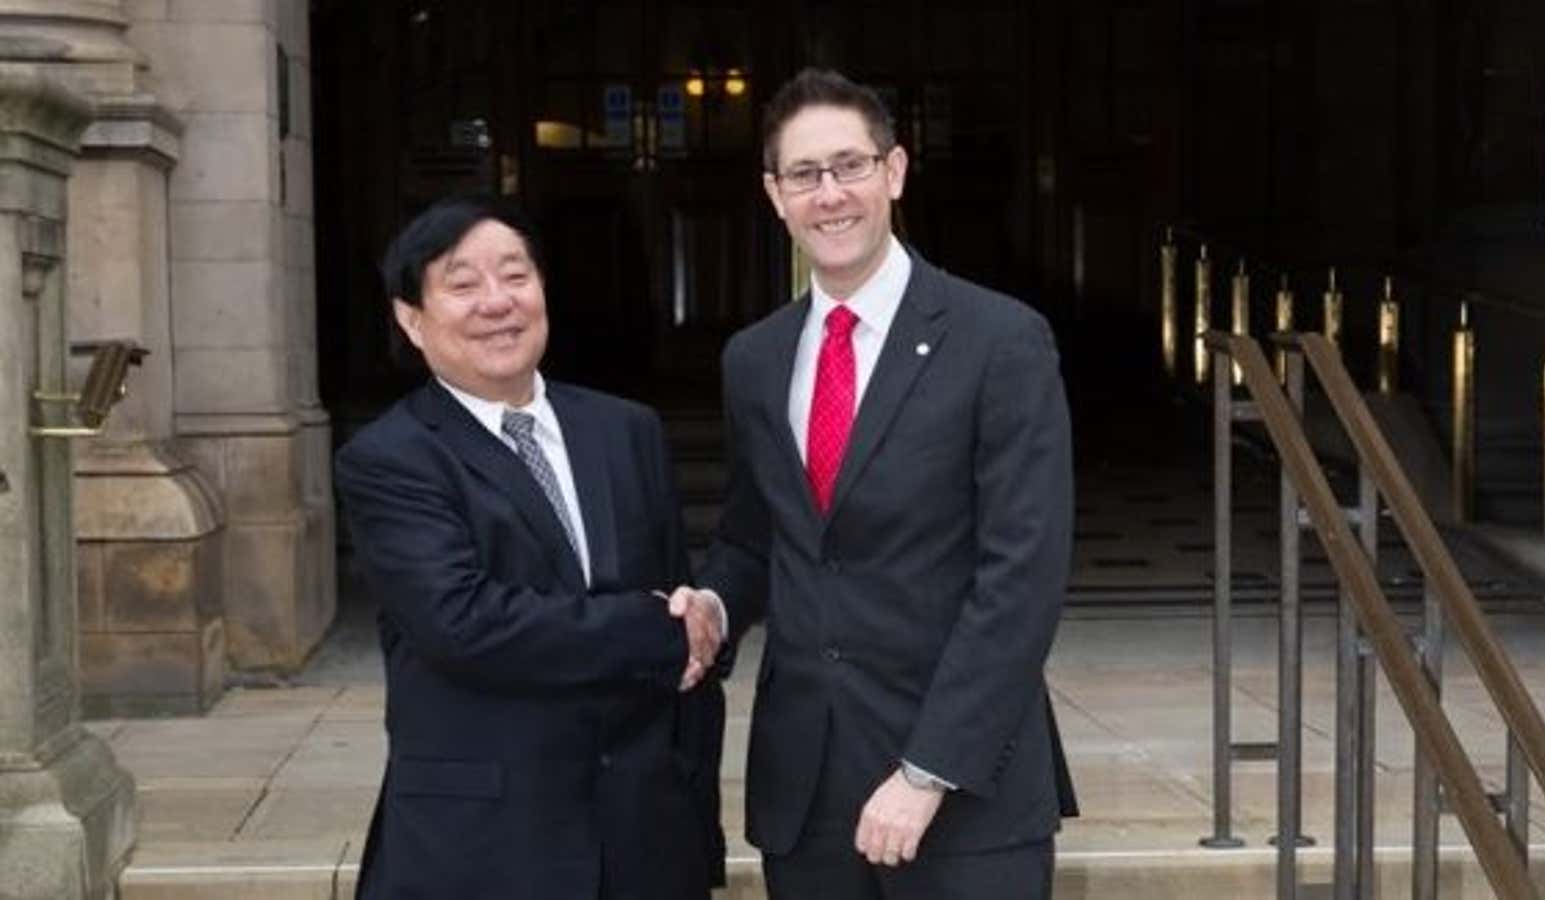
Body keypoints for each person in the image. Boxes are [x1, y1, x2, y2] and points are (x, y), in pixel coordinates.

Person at [685, 67, 1077, 899]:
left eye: (850, 166)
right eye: (804, 174)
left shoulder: (1000, 341)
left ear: (894, 172)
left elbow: (1023, 577)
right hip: (809, 794)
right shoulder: (754, 360)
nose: (830, 195)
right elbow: (756, 537)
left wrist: (928, 771)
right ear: (774, 194)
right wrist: (713, 609)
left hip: (967, 792)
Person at [336, 194, 726, 900]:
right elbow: (464, 623)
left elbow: (688, 636)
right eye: (462, 284)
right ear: (410, 318)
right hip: (485, 848)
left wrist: (696, 822)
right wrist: (653, 627)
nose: (498, 302)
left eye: (516, 276)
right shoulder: (391, 458)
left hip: (646, 841)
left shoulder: (625, 430)